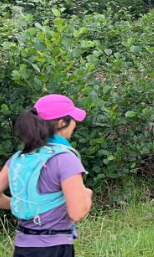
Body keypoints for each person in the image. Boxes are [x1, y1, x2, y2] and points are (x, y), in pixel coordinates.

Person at [0, 94, 93, 257]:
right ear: (61, 122)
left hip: (22, 246)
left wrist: (25, 205)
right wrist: (87, 196)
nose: (75, 124)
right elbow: (77, 213)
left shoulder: (19, 158)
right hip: (54, 248)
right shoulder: (65, 159)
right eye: (72, 119)